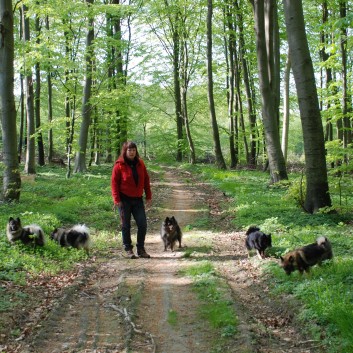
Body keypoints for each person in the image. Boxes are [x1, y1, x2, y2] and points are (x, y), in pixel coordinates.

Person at [111, 141, 152, 259]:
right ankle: (128, 248)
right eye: (129, 150)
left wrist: (148, 196)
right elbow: (114, 183)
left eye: (133, 150)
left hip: (138, 199)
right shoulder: (119, 165)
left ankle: (140, 249)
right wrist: (116, 199)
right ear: (125, 151)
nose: (132, 152)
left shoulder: (141, 163)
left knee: (142, 224)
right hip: (124, 200)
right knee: (126, 225)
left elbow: (146, 180)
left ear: (136, 151)